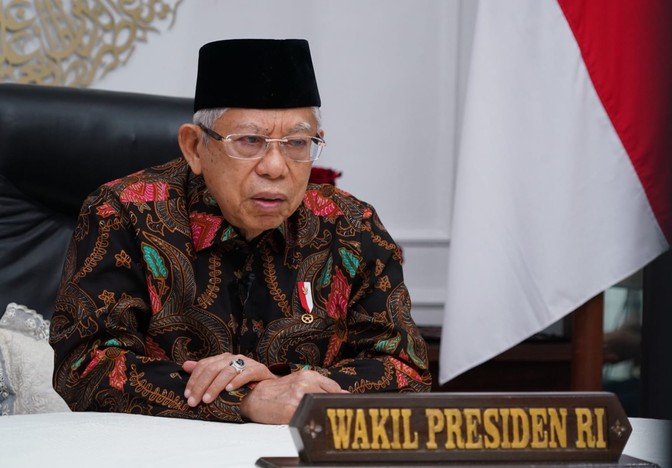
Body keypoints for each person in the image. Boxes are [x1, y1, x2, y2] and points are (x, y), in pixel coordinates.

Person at [50, 39, 431, 424]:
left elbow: (406, 371)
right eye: (250, 141)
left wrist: (286, 387)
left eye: (297, 143)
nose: (275, 167)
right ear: (194, 147)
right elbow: (84, 367)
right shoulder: (124, 212)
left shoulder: (350, 225)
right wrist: (246, 399)